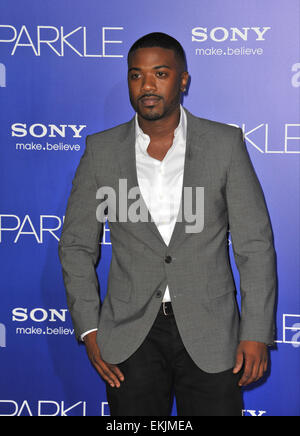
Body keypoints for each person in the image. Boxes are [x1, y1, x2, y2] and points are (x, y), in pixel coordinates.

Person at [58, 32, 277, 416]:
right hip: (129, 336)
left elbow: (254, 246)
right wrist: (90, 330)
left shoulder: (224, 144)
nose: (147, 86)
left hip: (213, 333)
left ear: (183, 80)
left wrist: (256, 332)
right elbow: (76, 245)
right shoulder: (101, 151)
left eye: (160, 73)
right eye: (136, 75)